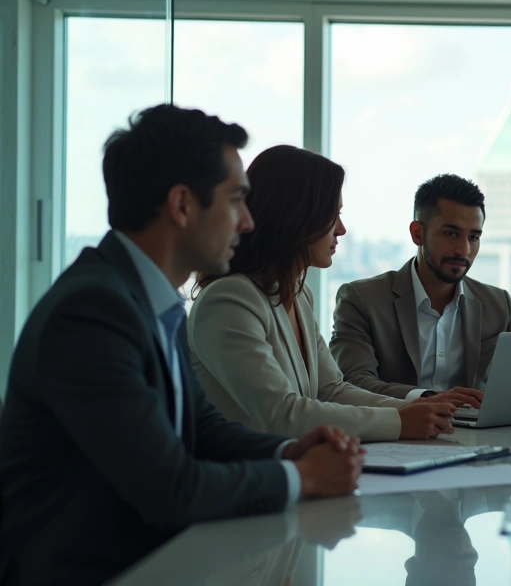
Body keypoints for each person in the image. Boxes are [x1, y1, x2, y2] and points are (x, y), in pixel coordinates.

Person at [0, 105, 363, 585]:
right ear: (182, 205)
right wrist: (305, 477)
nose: (248, 222)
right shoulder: (91, 312)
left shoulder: (148, 298)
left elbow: (202, 427)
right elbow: (171, 488)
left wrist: (289, 451)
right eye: (236, 200)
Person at [189, 145, 457, 442]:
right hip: (248, 478)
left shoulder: (298, 296)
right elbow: (282, 414)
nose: (341, 230)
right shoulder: (229, 300)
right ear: (297, 216)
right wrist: (399, 421)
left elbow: (331, 390)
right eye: (333, 215)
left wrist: (416, 408)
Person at [330, 174, 511, 401]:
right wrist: (427, 399)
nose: (464, 249)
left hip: (479, 434)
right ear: (417, 233)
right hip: (395, 431)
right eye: (451, 233)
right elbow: (353, 381)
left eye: (474, 237)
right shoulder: (362, 300)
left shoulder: (499, 305)